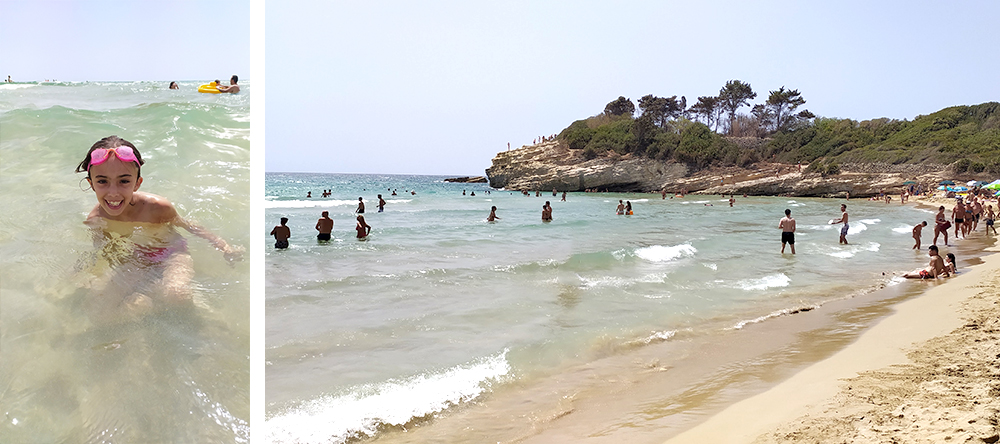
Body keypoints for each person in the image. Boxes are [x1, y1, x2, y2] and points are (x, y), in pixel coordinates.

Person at [76, 136, 243, 321]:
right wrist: (87, 273)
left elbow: (189, 226)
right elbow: (105, 252)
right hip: (135, 259)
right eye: (102, 181)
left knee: (176, 295)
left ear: (137, 183)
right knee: (99, 307)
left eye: (123, 181)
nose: (113, 192)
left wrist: (224, 246)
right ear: (91, 184)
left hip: (170, 254)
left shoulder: (157, 207)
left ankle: (162, 300)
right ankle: (146, 300)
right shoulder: (96, 220)